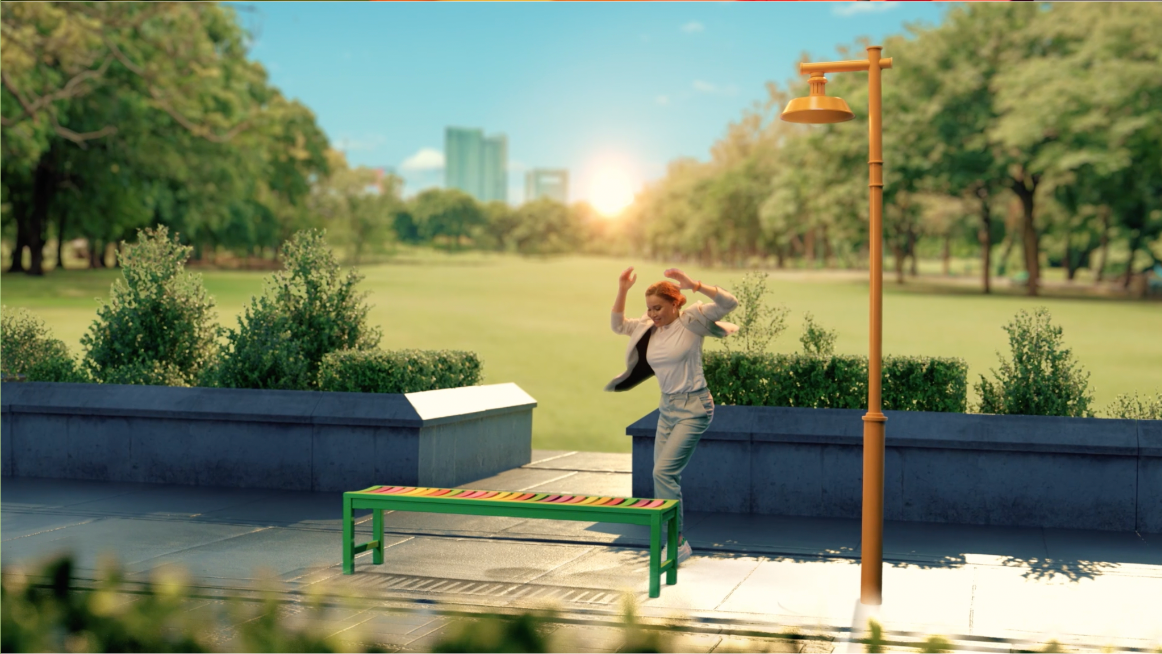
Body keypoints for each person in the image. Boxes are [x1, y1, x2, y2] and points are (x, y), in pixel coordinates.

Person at [606, 266, 739, 564]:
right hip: (666, 409)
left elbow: (730, 303)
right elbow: (617, 326)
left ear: (676, 303)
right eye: (650, 308)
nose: (653, 314)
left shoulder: (694, 319)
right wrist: (623, 289)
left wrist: (696, 284)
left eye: (659, 308)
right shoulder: (648, 326)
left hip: (695, 407)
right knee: (664, 478)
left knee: (662, 473)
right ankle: (678, 542)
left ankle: (675, 542)